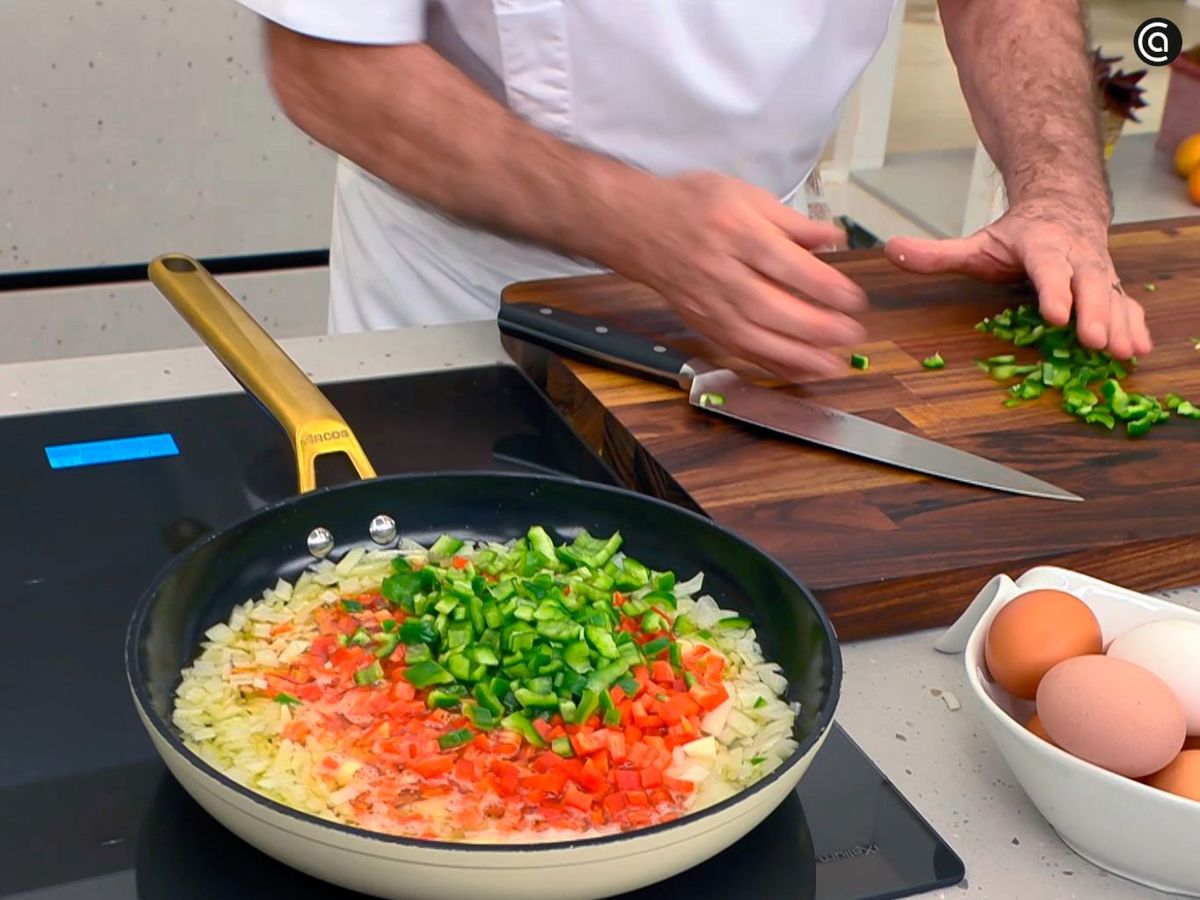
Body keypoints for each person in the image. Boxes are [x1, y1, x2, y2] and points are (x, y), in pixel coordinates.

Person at [236, 0, 1151, 379]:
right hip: (466, 294)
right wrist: (632, 219)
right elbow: (326, 65)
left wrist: (1061, 191)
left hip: (771, 272)